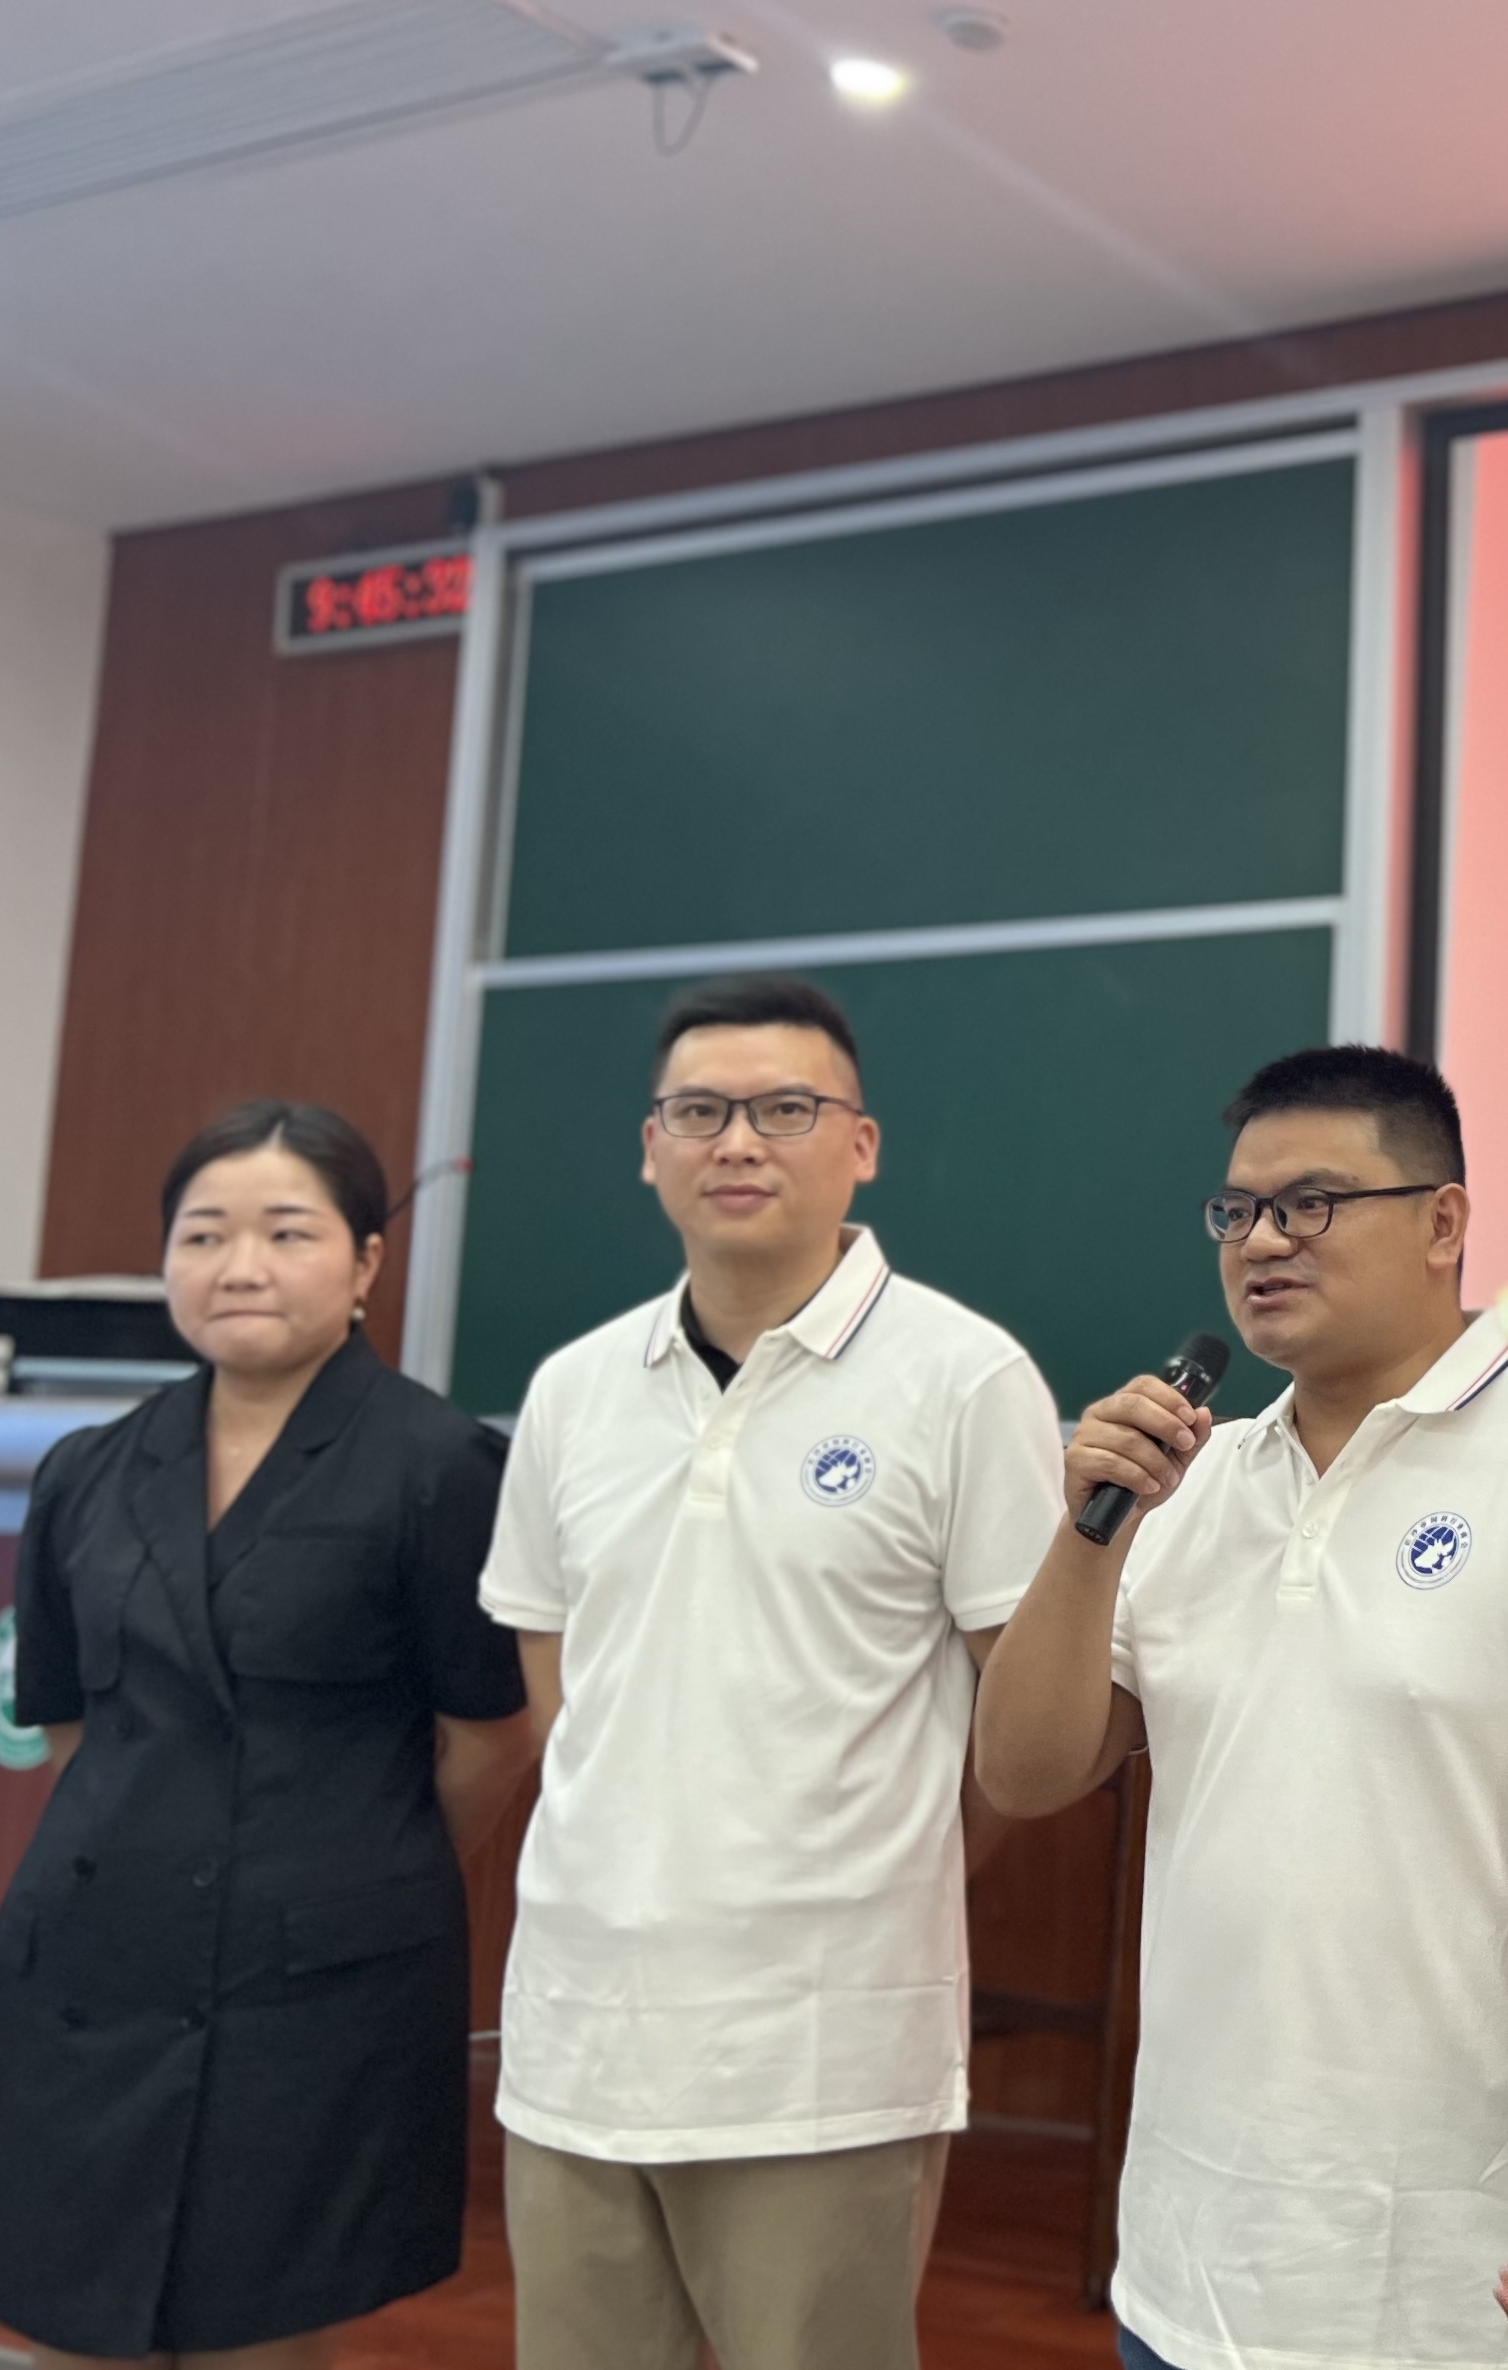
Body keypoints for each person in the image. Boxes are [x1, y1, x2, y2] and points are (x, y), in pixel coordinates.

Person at [975, 1044, 1508, 2370]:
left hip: (1459, 2260)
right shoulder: (1191, 1484)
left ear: (1443, 1222)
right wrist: (1088, 1536)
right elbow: (1026, 1772)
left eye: (1311, 1202)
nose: (1263, 1240)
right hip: (1191, 2256)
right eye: (1239, 1209)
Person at [479, 973, 1068, 2370]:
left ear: (860, 1144)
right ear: (651, 1148)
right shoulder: (574, 1387)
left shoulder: (965, 1377)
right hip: (578, 2034)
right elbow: (560, 1681)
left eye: (785, 1110)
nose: (737, 1141)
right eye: (700, 1112)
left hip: (819, 2057)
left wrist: (870, 1864)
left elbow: (1021, 1726)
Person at [0, 1100, 536, 2369]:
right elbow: (71, 1728)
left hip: (313, 1992)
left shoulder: (441, 1467)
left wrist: (357, 1863)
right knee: (71, 2324)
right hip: (95, 1968)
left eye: (286, 1232)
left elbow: (493, 1735)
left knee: (258, 2336)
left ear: (365, 1262)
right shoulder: (87, 1470)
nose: (240, 1266)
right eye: (204, 1235)